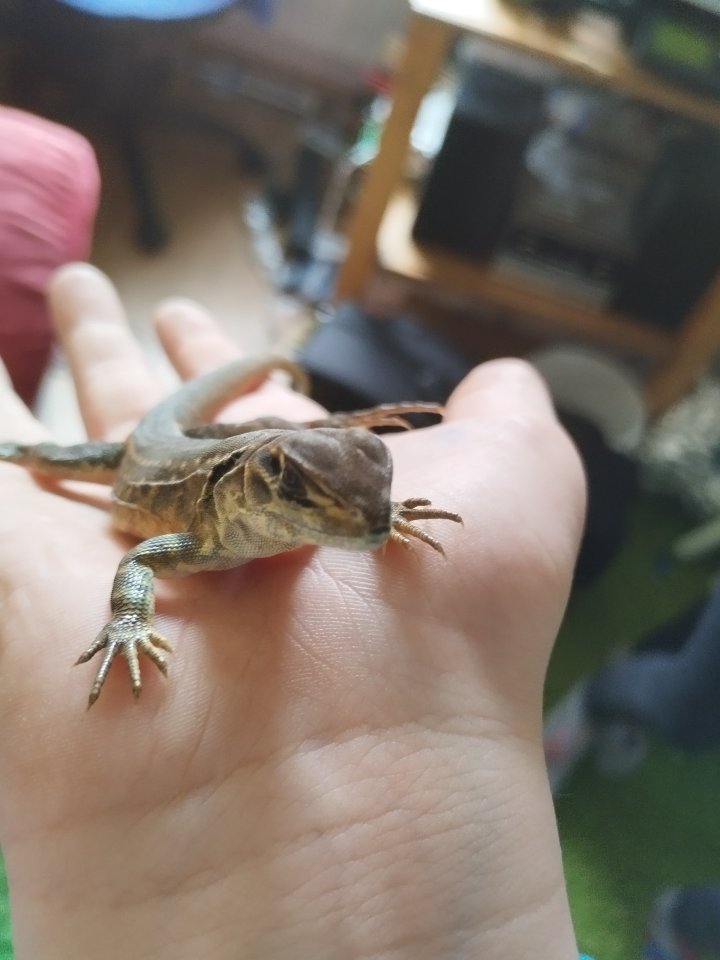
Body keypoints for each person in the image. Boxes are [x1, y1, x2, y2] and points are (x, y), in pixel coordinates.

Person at [0, 263, 587, 959]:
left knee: (325, 475)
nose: (367, 525)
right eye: (317, 503)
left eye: (372, 503)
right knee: (44, 460)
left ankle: (310, 422)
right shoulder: (203, 540)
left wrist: (367, 495)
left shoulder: (313, 502)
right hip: (146, 461)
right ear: (265, 488)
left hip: (237, 448)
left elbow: (352, 502)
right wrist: (130, 620)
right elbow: (141, 559)